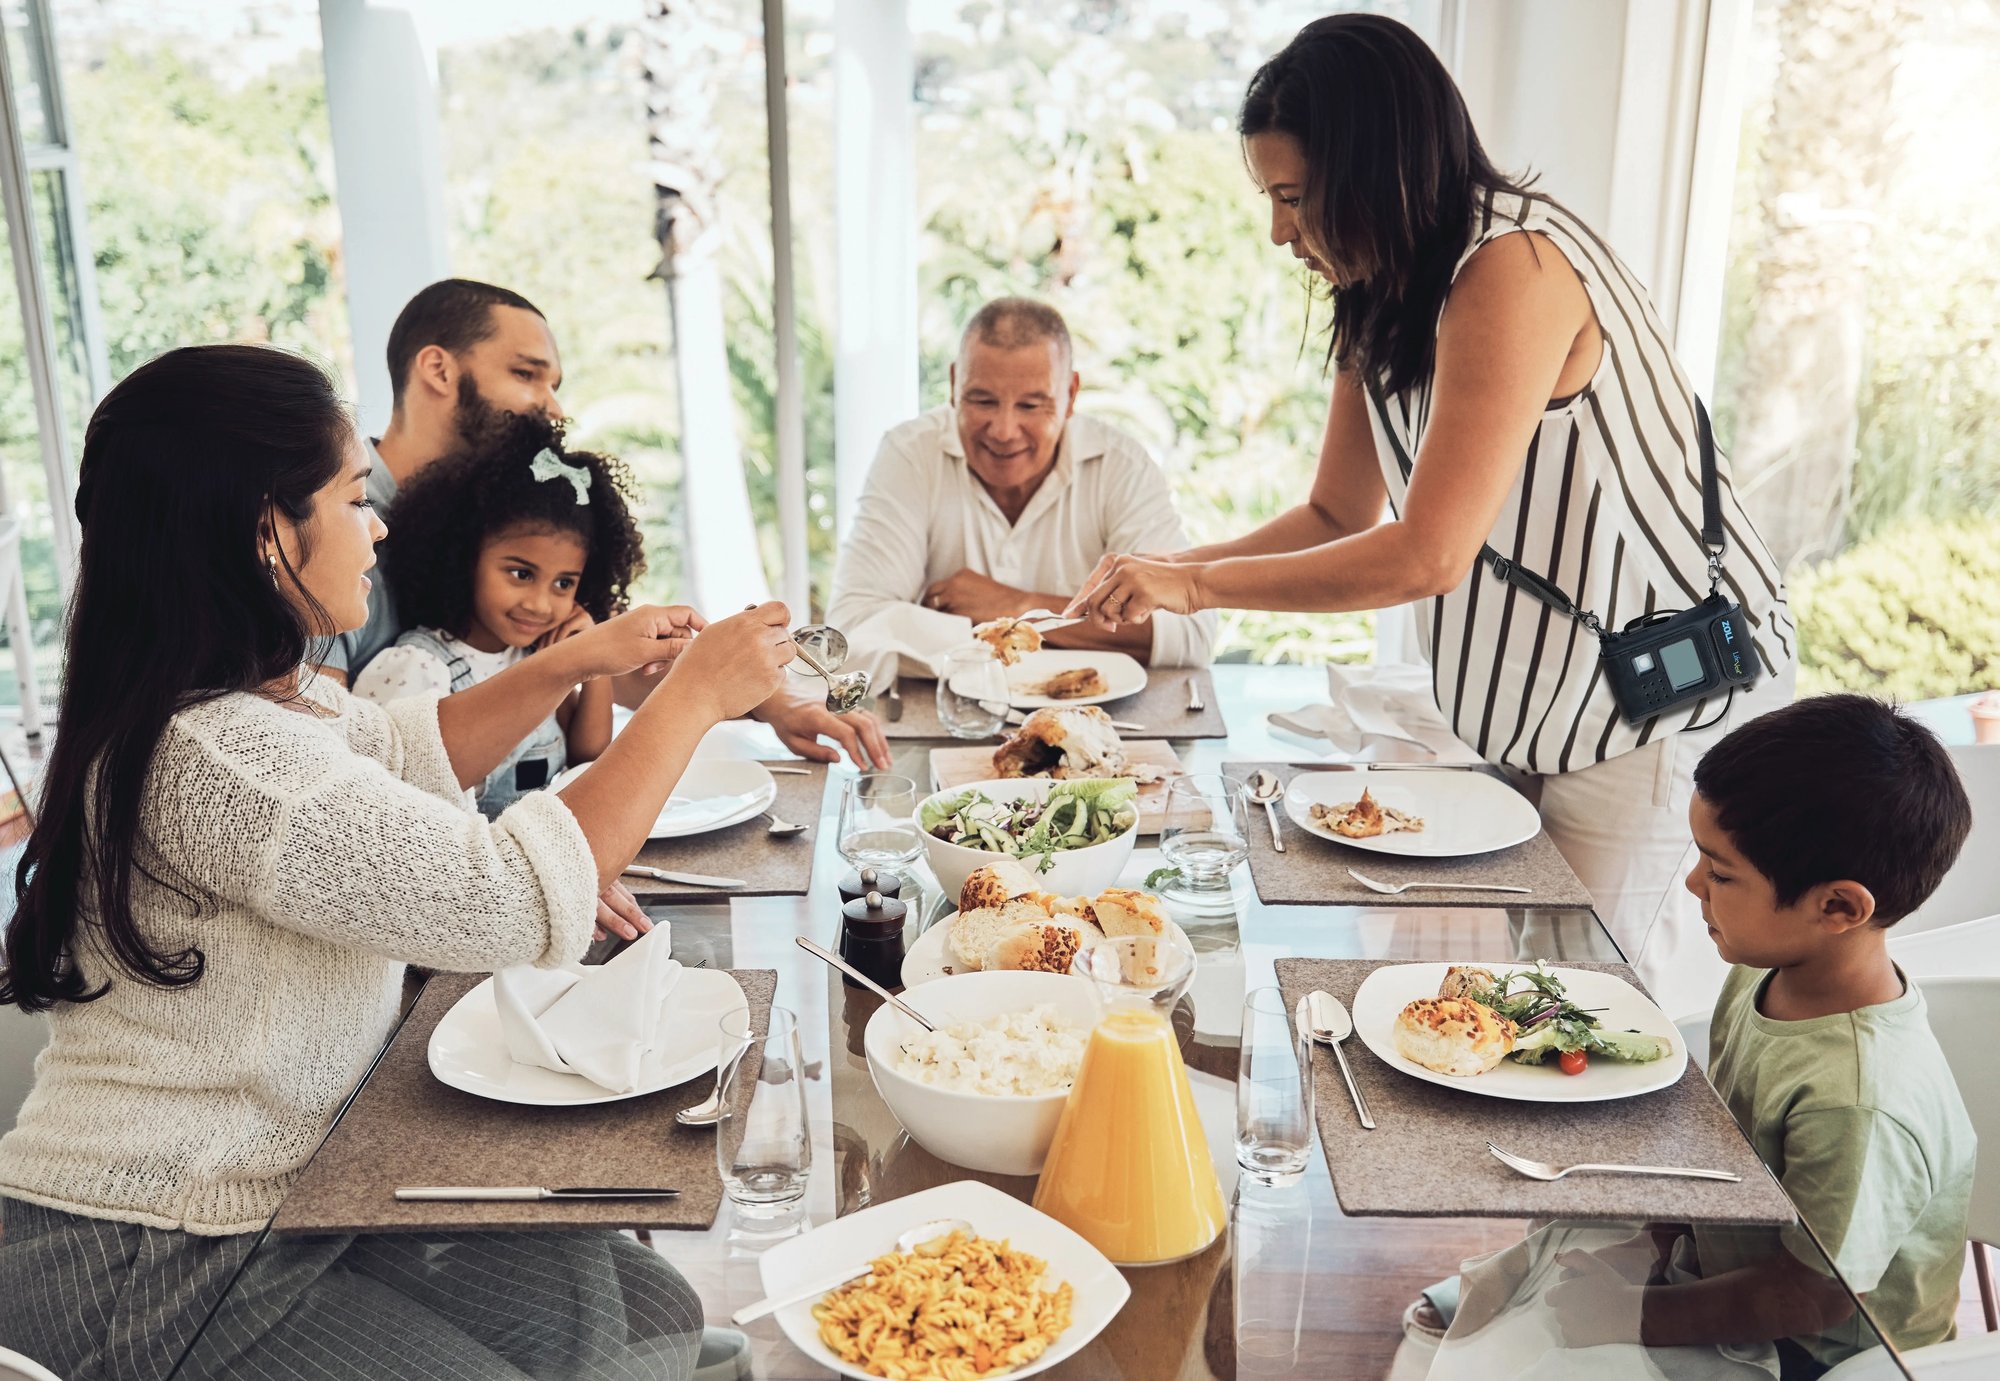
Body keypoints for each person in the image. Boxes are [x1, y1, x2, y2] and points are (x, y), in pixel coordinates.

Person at [0, 343, 796, 1377]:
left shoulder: (257, 703)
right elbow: (508, 900)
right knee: (609, 1349)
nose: (375, 523)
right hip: (154, 1246)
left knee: (647, 1311)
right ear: (263, 533)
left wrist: (583, 655)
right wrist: (693, 694)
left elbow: (411, 749)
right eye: (348, 497)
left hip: (305, 1191)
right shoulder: (224, 757)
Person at [1063, 16, 1794, 1016]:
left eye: (1289, 197)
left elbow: (1425, 553)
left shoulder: (1512, 270)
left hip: (1650, 704)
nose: (1278, 231)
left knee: (1588, 1005)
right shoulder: (1379, 284)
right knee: (1482, 999)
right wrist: (1165, 564)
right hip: (1527, 700)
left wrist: (1190, 583)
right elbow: (1334, 509)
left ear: (1369, 170)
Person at [1420, 695, 1974, 1379]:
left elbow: (1814, 1294)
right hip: (1728, 1258)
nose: (1691, 882)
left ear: (1836, 906)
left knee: (1524, 1352)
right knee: (1530, 1271)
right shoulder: (1769, 970)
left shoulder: (1857, 1100)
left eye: (1721, 872)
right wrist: (1647, 1255)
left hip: (1817, 1352)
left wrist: (1630, 1311)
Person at [321, 276, 887, 771]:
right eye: (527, 375)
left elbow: (601, 656)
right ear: (438, 369)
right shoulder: (324, 525)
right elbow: (328, 754)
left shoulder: (494, 507)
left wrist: (772, 700)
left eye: (555, 386)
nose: (555, 409)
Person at [828, 297, 1216, 668]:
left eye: (1030, 406)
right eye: (982, 401)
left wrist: (1015, 608)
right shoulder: (910, 453)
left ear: (1070, 394)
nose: (1003, 430)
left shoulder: (1122, 466)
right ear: (952, 386)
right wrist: (1075, 626)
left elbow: (1189, 633)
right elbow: (854, 626)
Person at [354, 416, 642, 818]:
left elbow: (587, 754)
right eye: (521, 574)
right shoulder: (418, 667)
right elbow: (385, 806)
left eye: (564, 583)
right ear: (464, 558)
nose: (541, 604)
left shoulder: (529, 653)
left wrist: (592, 658)